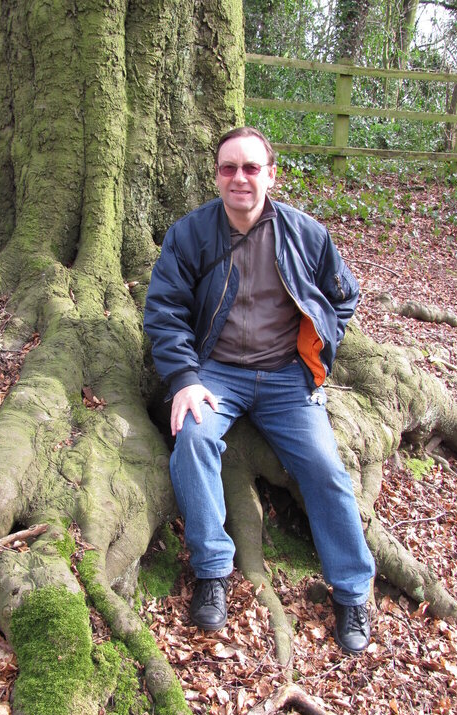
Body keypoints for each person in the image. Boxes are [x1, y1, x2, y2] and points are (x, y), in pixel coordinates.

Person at [143, 126, 375, 654]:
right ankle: (212, 571)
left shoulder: (305, 234)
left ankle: (353, 590)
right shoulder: (191, 234)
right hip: (216, 373)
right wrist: (184, 377)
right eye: (230, 168)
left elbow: (343, 298)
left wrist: (316, 348)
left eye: (251, 168)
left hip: (287, 379)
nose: (240, 178)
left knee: (324, 467)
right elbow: (164, 311)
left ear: (271, 174)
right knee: (194, 441)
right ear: (217, 175)